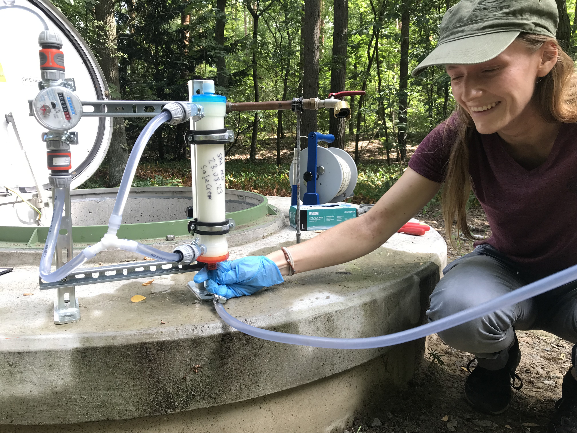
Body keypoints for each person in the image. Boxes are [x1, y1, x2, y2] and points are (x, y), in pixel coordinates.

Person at [194, 0, 577, 430]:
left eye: (489, 70)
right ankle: (496, 363)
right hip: (507, 269)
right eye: (456, 77)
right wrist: (275, 265)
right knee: (461, 309)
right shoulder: (457, 137)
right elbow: (375, 222)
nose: (469, 94)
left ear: (545, 56)